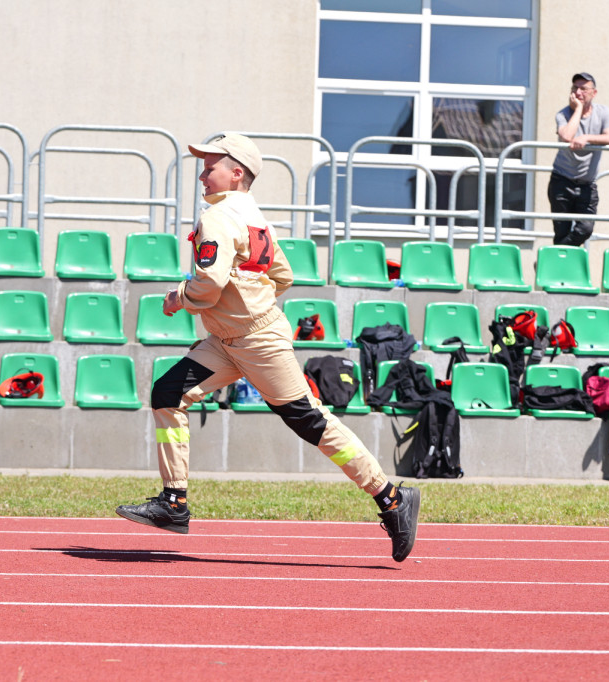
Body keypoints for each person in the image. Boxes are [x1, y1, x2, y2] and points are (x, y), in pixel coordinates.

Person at [114, 133, 421, 562]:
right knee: (168, 393)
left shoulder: (218, 216)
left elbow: (209, 284)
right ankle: (173, 502)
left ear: (236, 173)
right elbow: (282, 276)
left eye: (210, 167)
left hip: (257, 342)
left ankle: (391, 498)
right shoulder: (255, 217)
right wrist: (246, 303)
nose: (202, 175)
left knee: (311, 421)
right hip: (228, 341)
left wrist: (178, 298)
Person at [547, 72, 609, 246]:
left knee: (585, 229)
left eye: (583, 88)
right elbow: (567, 136)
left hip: (587, 183)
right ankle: (559, 261)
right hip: (561, 180)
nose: (578, 92)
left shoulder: (603, 112)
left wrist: (587, 138)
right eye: (575, 88)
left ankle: (553, 257)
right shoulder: (563, 114)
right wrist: (578, 109)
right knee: (562, 232)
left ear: (594, 93)